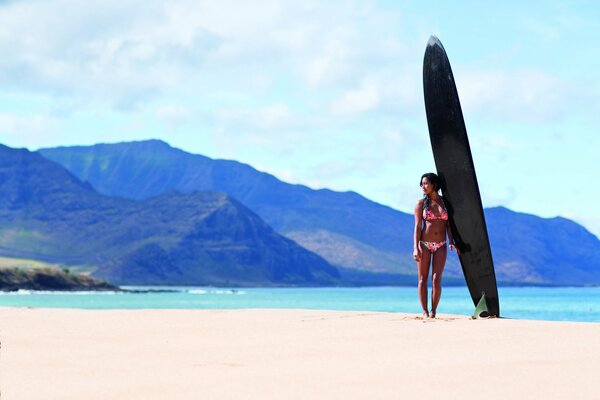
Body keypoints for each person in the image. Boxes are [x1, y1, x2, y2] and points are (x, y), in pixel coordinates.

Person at [413, 172, 459, 318]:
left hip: (441, 245)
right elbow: (417, 227)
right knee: (422, 279)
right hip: (424, 245)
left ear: (434, 185)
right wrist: (415, 248)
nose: (423, 186)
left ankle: (433, 311)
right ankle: (425, 311)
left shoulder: (445, 202)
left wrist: (451, 241)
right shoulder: (420, 204)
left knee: (436, 279)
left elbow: (449, 225)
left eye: (426, 183)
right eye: (422, 184)